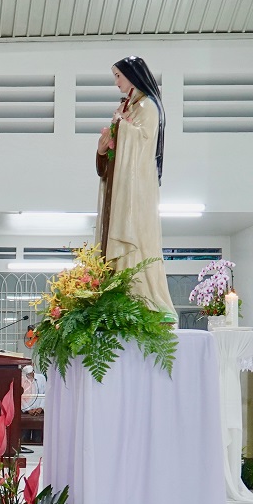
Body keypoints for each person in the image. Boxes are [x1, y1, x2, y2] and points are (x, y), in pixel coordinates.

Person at [95, 56, 177, 321]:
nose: (116, 83)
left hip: (136, 190)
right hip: (118, 188)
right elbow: (112, 156)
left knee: (134, 238)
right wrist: (103, 147)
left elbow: (143, 142)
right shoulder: (129, 107)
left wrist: (122, 125)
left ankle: (142, 296)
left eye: (118, 76)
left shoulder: (148, 107)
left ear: (132, 75)